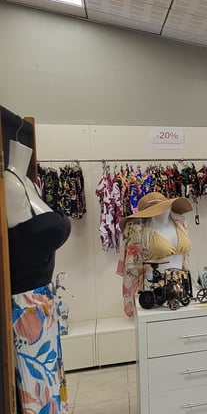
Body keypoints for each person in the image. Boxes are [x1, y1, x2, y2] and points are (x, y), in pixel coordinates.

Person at [6, 138, 72, 414]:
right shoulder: (10, 187)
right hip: (24, 310)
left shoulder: (30, 183)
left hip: (44, 305)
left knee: (52, 385)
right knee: (36, 392)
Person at [117, 192, 192, 317]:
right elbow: (132, 264)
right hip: (154, 286)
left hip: (180, 283)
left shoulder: (180, 222)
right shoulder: (137, 229)